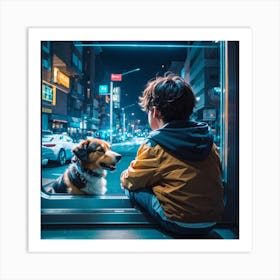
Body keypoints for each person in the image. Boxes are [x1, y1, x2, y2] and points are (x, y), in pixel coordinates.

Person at [120, 72, 224, 237]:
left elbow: (131, 180)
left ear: (155, 112)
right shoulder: (209, 140)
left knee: (132, 189)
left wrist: (125, 176)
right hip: (213, 220)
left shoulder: (155, 144)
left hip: (179, 223)